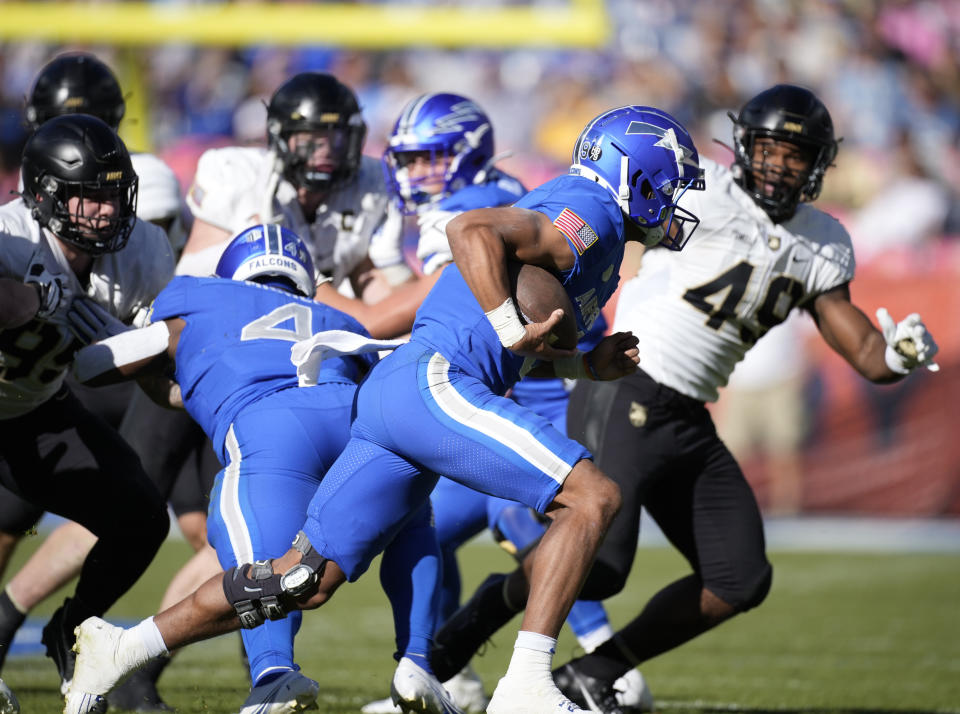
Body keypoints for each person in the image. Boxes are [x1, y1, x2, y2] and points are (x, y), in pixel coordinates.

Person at [63, 103, 705, 714]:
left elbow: (505, 340)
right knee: (591, 497)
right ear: (638, 171)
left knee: (300, 578)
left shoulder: (603, 240)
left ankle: (121, 647)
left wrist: (584, 365)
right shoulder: (587, 210)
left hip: (404, 392)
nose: (677, 200)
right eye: (673, 182)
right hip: (436, 381)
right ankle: (526, 684)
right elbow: (470, 230)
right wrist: (512, 324)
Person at [432, 84, 941, 714]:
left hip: (691, 408)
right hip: (631, 387)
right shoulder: (698, 190)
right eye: (771, 149)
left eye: (797, 153)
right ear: (745, 147)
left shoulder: (825, 240)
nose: (781, 164)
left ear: (819, 163)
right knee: (605, 566)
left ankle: (594, 672)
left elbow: (861, 346)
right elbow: (608, 221)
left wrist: (897, 355)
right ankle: (484, 615)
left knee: (740, 576)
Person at [66, 223, 460, 714]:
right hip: (357, 419)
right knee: (411, 518)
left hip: (272, 430)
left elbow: (100, 365)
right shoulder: (339, 316)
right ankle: (417, 659)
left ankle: (274, 672)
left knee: (263, 569)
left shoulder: (196, 295)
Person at [356, 92, 649, 714]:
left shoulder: (504, 212)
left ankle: (569, 667)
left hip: (497, 400)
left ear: (465, 155)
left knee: (550, 520)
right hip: (490, 396)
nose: (415, 173)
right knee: (452, 533)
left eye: (429, 158)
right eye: (409, 159)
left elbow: (402, 309)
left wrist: (326, 301)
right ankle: (455, 676)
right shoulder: (545, 200)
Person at [0, 55, 213, 713]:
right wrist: (26, 302)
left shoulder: (141, 247)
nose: (100, 212)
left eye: (110, 195)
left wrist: (144, 355)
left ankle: (75, 627)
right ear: (42, 195)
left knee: (139, 516)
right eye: (84, 196)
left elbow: (167, 369)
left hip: (34, 411)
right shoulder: (10, 235)